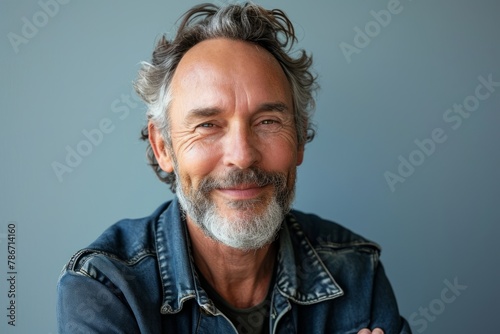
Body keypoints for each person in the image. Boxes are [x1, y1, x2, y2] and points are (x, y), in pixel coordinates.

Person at [57, 3, 411, 333]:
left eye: (268, 122)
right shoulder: (106, 286)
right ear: (163, 146)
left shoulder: (357, 271)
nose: (242, 156)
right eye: (208, 125)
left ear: (300, 138)